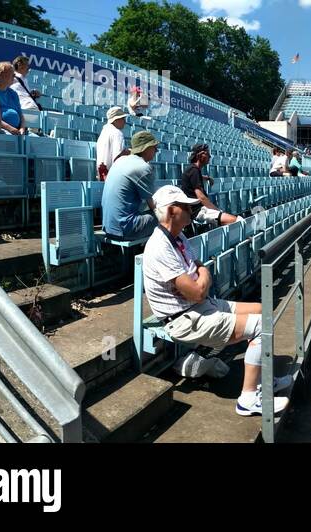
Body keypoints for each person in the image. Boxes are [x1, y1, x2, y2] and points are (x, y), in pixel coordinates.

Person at [143, 185, 292, 416]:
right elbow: (197, 290)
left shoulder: (178, 236)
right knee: (261, 327)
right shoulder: (159, 246)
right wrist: (202, 278)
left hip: (200, 306)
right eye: (186, 206)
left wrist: (202, 277)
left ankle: (265, 381)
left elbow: (200, 271)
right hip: (184, 319)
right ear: (172, 211)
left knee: (264, 311)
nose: (192, 210)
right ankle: (248, 399)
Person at [102, 131, 163, 242]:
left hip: (109, 227)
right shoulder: (143, 167)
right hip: (125, 228)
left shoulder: (120, 161)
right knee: (170, 215)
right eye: (155, 147)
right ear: (146, 148)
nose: (157, 151)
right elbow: (153, 204)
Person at [180, 144, 241, 228]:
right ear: (200, 155)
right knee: (238, 221)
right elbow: (201, 197)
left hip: (200, 209)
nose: (210, 156)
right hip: (198, 211)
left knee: (230, 222)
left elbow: (191, 177)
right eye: (208, 154)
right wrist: (218, 211)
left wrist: (206, 177)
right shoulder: (193, 171)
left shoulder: (193, 170)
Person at [0, 62, 27, 135]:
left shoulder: (13, 93)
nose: (14, 76)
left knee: (37, 141)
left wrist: (22, 128)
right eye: (12, 74)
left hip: (17, 130)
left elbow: (21, 116)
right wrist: (9, 128)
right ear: (1, 75)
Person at [95, 107, 130, 180]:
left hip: (102, 176)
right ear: (115, 120)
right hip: (113, 177)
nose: (125, 121)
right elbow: (118, 158)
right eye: (123, 118)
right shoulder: (117, 133)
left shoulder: (104, 132)